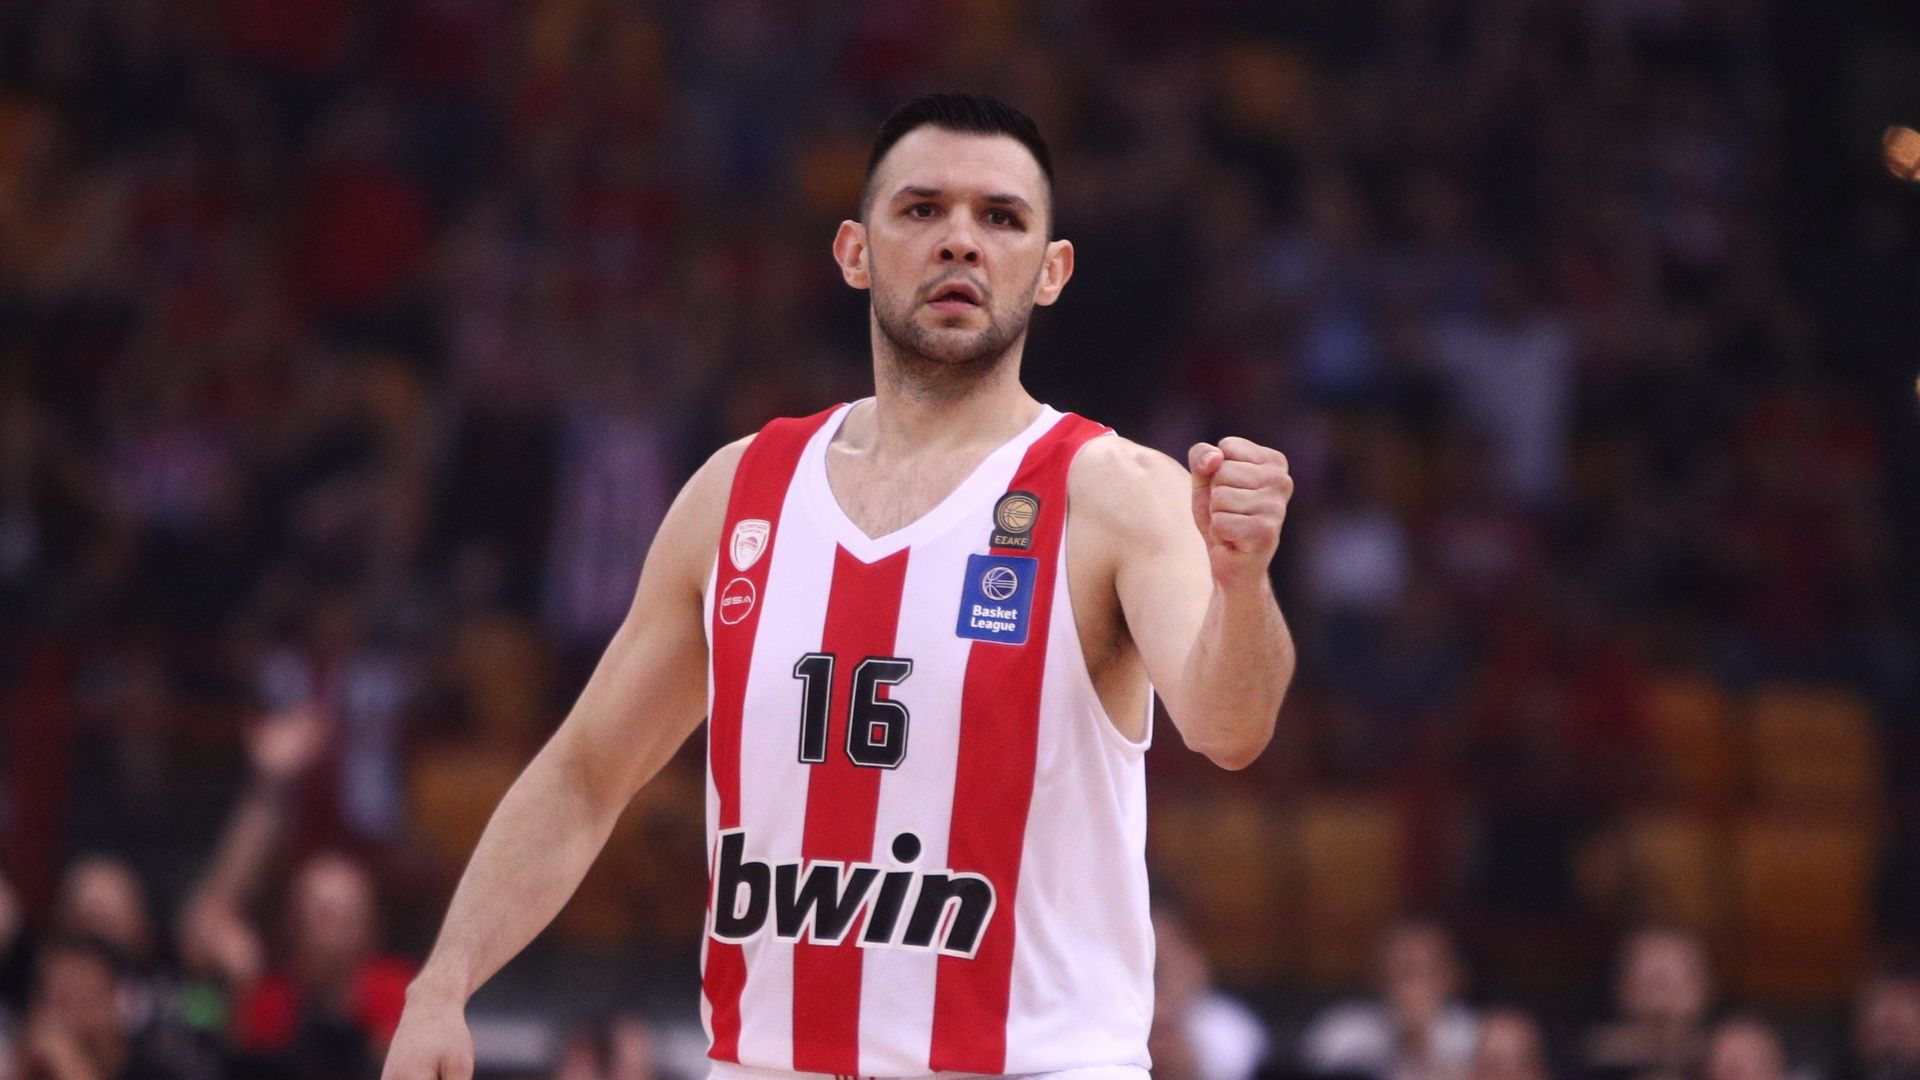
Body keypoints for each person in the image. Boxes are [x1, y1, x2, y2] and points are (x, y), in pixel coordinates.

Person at [382, 91, 1296, 1080]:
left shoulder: (1115, 493)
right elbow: (584, 774)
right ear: (855, 252)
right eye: (922, 209)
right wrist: (442, 985)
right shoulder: (737, 493)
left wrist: (1245, 584)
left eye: (1001, 217)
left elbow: (1230, 726)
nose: (960, 240)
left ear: (1051, 271)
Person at [1299, 917, 1479, 1080]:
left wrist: (1420, 1040)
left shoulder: (1475, 1035)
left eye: (1427, 971)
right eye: (1404, 971)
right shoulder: (1341, 1031)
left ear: (1452, 976)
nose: (1413, 985)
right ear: (1378, 977)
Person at [1581, 925, 1715, 1080]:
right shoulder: (1587, 1057)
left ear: (1705, 987)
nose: (1662, 996)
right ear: (1621, 987)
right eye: (1649, 982)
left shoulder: (1724, 1053)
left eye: (1675, 982)